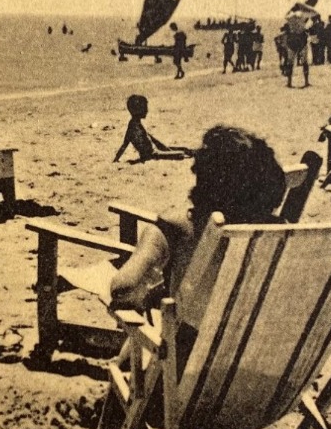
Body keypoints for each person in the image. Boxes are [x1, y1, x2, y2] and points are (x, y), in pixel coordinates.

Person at [108, 125, 285, 312]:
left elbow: (123, 288)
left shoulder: (175, 228)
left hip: (191, 338)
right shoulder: (281, 232)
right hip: (256, 337)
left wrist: (148, 297)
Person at [113, 94, 193, 163]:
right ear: (138, 110)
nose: (147, 110)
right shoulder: (134, 127)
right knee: (181, 153)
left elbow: (126, 144)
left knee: (183, 149)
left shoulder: (135, 124)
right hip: (152, 155)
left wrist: (166, 148)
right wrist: (116, 159)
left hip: (155, 151)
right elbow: (125, 144)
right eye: (144, 108)